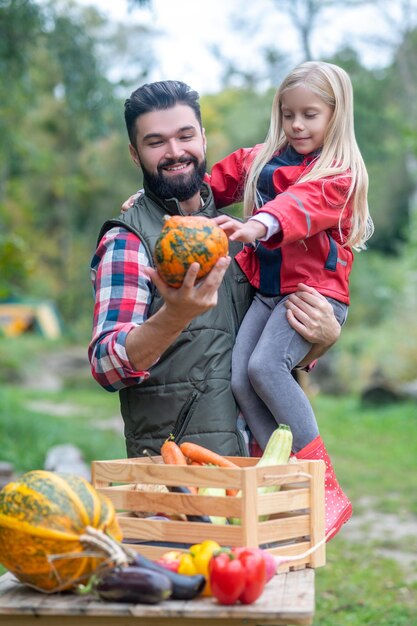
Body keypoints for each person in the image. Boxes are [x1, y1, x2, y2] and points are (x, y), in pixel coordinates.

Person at [88, 79, 340, 481]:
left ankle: (320, 480)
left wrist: (320, 342)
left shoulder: (240, 233)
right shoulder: (128, 239)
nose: (175, 152)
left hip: (267, 471)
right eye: (156, 142)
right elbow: (105, 365)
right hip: (184, 477)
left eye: (185, 136)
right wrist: (174, 316)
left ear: (203, 139)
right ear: (135, 154)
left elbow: (270, 337)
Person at [199, 61, 373, 540]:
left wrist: (254, 225)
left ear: (336, 115)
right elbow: (220, 178)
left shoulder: (337, 175)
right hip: (269, 291)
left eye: (310, 115)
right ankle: (273, 473)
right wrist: (157, 197)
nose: (297, 125)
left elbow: (298, 206)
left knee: (265, 368)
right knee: (240, 375)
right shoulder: (264, 159)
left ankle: (325, 486)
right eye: (289, 113)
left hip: (315, 295)